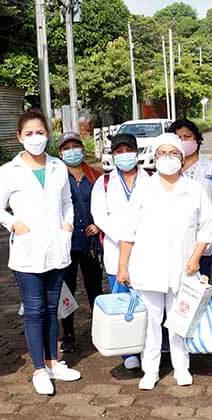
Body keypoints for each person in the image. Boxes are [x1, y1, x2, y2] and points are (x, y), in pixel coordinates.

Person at [0, 109, 82, 396]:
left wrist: (67, 225)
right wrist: (14, 224)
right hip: (27, 251)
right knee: (34, 310)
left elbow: (67, 202)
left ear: (48, 134)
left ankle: (53, 362)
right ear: (19, 137)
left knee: (53, 308)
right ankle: (39, 369)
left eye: (40, 132)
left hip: (56, 248)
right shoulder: (8, 171)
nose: (35, 138)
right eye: (29, 133)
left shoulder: (58, 167)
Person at [116, 133, 212, 391]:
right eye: (162, 153)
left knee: (179, 320)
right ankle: (150, 370)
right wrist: (122, 266)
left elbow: (207, 226)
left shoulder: (194, 189)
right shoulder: (144, 189)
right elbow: (128, 231)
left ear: (181, 158)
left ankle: (182, 367)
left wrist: (196, 257)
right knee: (151, 322)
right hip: (147, 266)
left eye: (173, 153)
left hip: (184, 267)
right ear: (154, 157)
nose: (167, 158)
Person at [91, 133, 147, 370]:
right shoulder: (103, 183)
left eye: (128, 150)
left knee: (148, 302)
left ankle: (149, 347)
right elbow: (99, 216)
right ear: (113, 155)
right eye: (119, 151)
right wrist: (125, 237)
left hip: (146, 250)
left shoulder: (151, 179)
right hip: (116, 251)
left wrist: (137, 236)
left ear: (137, 152)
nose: (124, 155)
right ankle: (128, 352)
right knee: (124, 302)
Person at [170, 119, 212, 276]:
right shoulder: (168, 170)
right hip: (173, 243)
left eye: (187, 137)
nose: (183, 141)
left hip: (204, 242)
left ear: (197, 139)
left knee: (201, 286)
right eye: (178, 138)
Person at [57, 132, 103, 354]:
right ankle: (68, 335)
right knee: (66, 289)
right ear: (60, 153)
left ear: (83, 149)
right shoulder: (56, 176)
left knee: (94, 288)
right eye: (66, 148)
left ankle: (100, 331)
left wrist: (99, 225)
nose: (72, 151)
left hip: (90, 243)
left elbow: (105, 205)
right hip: (66, 242)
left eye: (75, 146)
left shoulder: (95, 176)